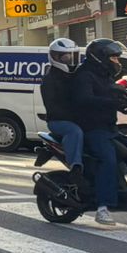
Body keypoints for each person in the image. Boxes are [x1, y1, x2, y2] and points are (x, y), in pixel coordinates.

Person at [71, 39, 127, 226]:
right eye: (114, 57)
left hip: (110, 127)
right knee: (107, 159)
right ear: (101, 57)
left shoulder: (105, 76)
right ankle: (103, 207)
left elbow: (116, 94)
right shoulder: (84, 76)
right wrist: (111, 102)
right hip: (93, 128)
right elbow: (84, 99)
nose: (117, 61)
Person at [39, 38, 84, 175]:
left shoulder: (77, 75)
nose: (70, 60)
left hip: (77, 118)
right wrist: (75, 116)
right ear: (55, 57)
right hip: (58, 121)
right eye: (65, 57)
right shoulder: (49, 80)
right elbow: (53, 107)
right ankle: (75, 165)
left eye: (72, 56)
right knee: (74, 131)